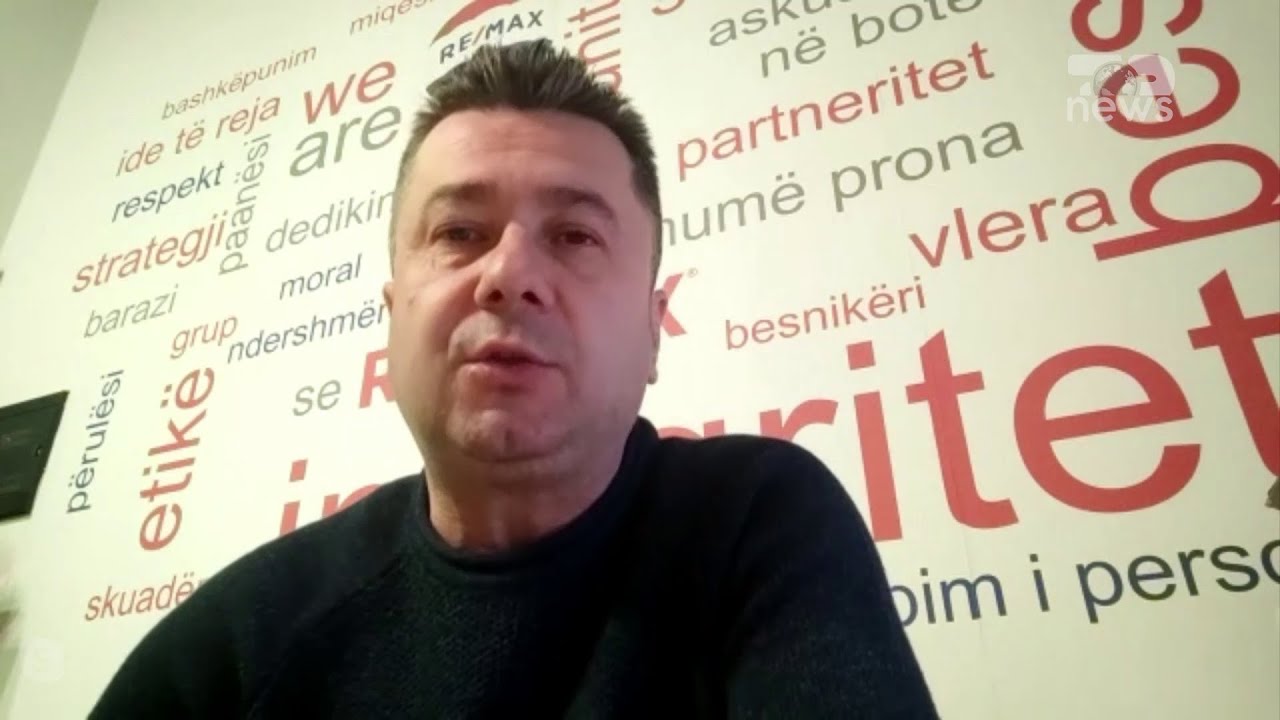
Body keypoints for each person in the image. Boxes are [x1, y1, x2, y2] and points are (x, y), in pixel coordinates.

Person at [90, 39, 938, 719]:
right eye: (459, 232)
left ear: (653, 331)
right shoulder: (237, 646)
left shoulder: (758, 522)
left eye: (574, 236)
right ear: (392, 315)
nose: (508, 274)